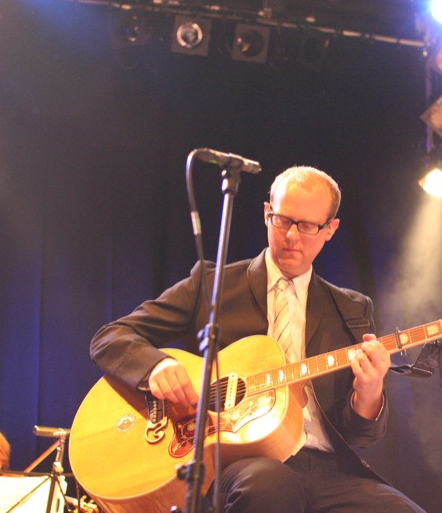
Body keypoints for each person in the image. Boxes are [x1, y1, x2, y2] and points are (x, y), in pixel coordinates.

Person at [90, 165, 424, 512]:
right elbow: (110, 337)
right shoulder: (212, 285)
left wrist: (369, 393)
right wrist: (155, 366)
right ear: (267, 213)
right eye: (282, 220)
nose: (291, 236)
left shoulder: (351, 308)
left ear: (330, 229)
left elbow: (358, 436)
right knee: (268, 486)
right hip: (239, 463)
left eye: (307, 226)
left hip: (329, 470)